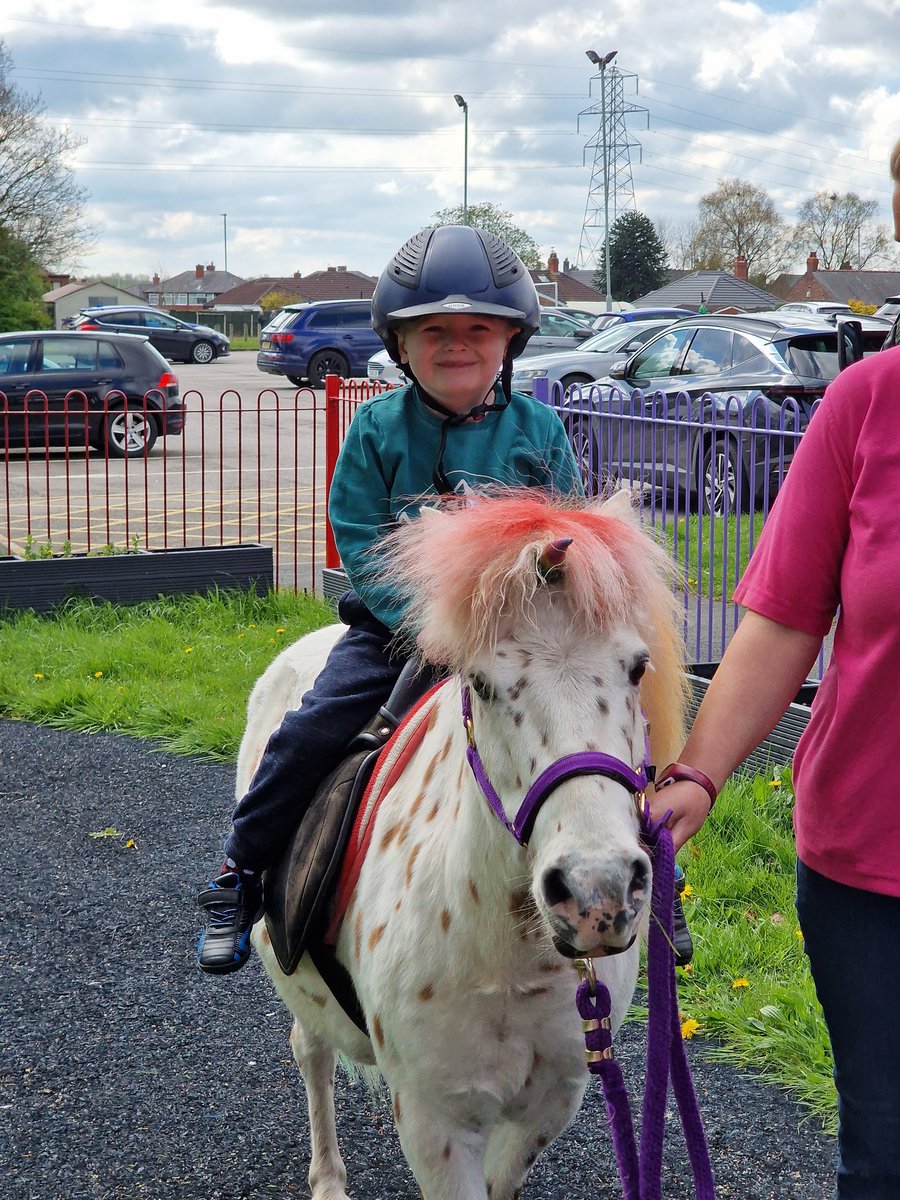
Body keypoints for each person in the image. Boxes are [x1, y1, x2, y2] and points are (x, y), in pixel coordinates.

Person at [196, 224, 583, 974]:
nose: (456, 343)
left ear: (512, 339)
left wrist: (564, 565)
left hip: (522, 642)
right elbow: (365, 547)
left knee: (599, 730)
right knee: (310, 731)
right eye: (433, 330)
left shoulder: (540, 427)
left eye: (478, 328)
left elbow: (568, 529)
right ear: (400, 345)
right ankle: (239, 873)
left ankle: (653, 877)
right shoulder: (376, 429)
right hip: (400, 637)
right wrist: (436, 627)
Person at [650, 138, 900, 1200]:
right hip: (870, 873)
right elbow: (783, 624)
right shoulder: (866, 406)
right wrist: (697, 774)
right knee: (885, 1160)